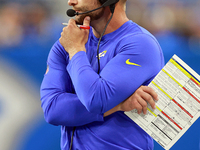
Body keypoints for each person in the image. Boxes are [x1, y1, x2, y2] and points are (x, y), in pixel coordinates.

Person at [40, 0, 164, 149]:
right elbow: (52, 110)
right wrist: (118, 105)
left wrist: (76, 50)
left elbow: (96, 100)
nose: (71, 1)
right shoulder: (65, 44)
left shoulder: (140, 43)